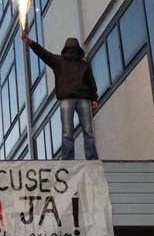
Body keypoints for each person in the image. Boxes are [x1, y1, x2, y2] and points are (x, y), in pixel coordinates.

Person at [21, 32, 99, 160]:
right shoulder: (78, 63)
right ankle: (90, 158)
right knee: (87, 131)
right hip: (81, 99)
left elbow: (43, 53)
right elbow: (91, 82)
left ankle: (69, 159)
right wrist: (94, 98)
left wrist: (30, 43)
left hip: (69, 99)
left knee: (68, 132)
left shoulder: (60, 61)